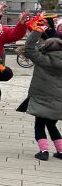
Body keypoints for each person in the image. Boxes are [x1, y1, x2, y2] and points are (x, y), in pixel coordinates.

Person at [20, 28, 62, 160]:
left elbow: (29, 47)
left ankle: (43, 151)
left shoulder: (41, 59)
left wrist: (37, 31)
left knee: (39, 125)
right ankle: (61, 151)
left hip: (41, 98)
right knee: (51, 124)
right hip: (58, 100)